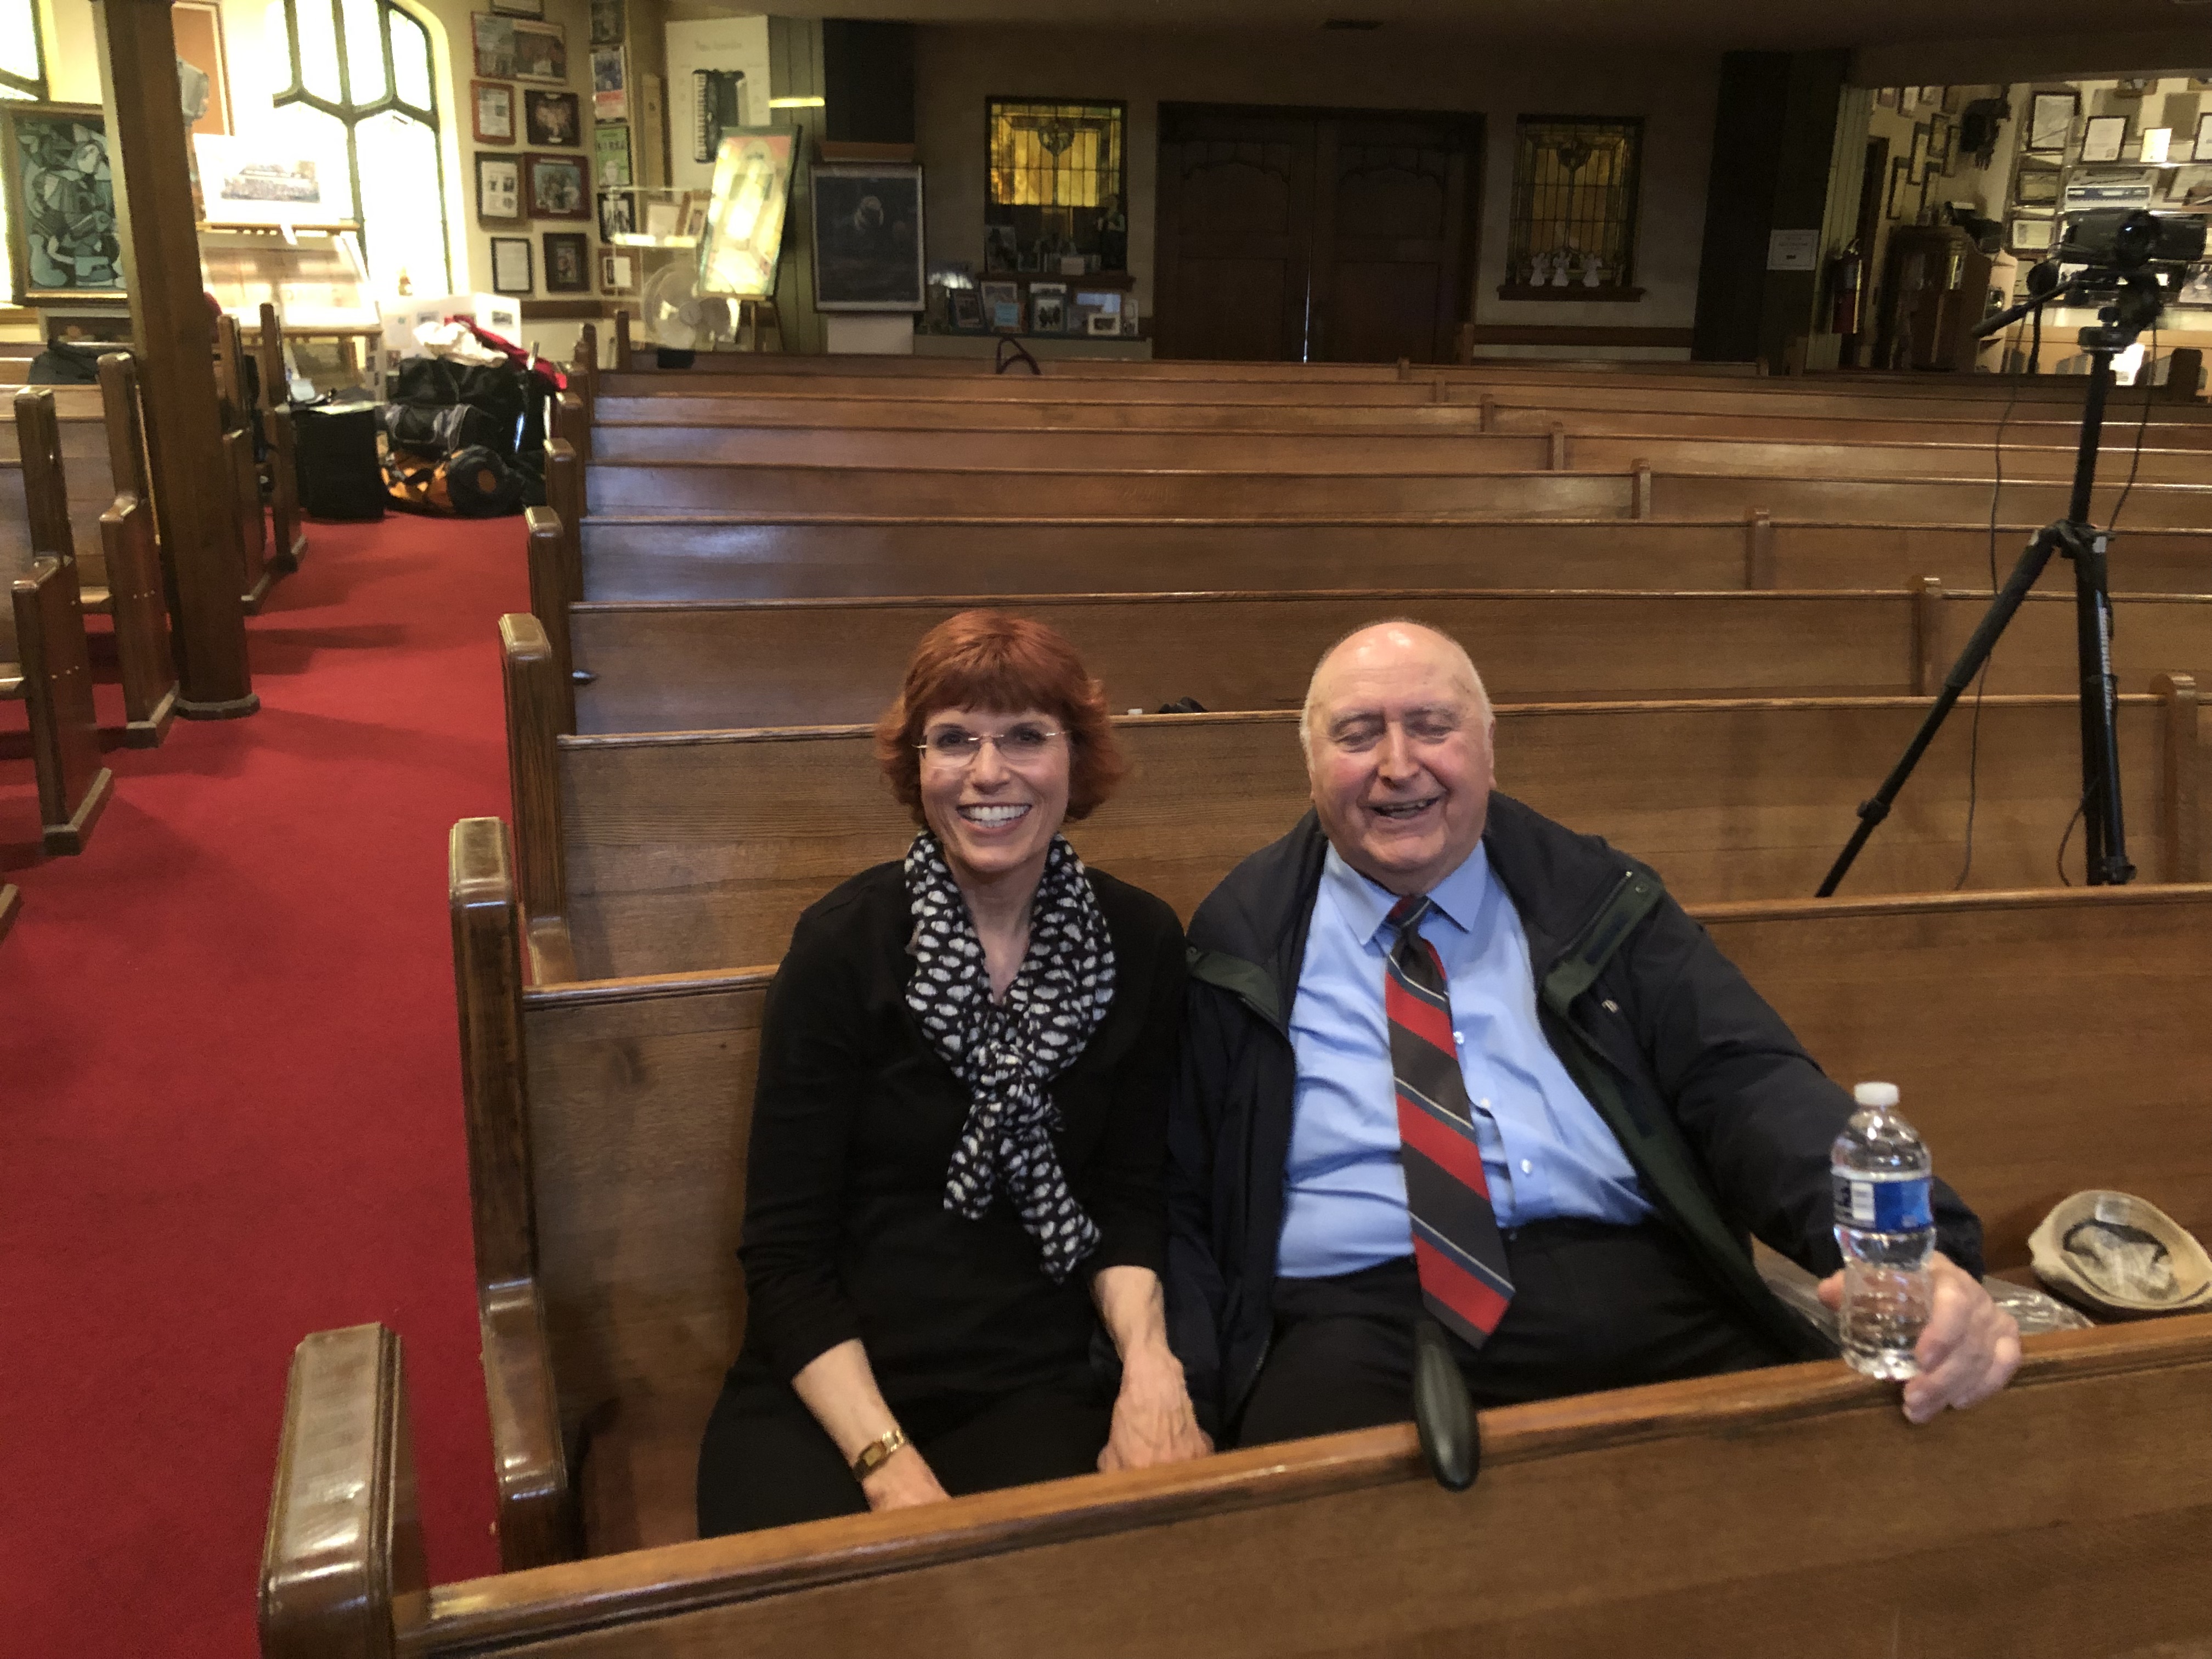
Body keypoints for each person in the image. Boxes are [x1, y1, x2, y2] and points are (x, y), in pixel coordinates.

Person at [1165, 620, 2022, 1449]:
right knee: (1300, 1519)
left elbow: (1748, 1084)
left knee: (1842, 1463)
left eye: (1432, 726)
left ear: (1489, 746)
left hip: (1632, 1278)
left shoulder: (1600, 900)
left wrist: (1907, 1256)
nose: (1398, 765)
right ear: (1310, 763)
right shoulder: (1241, 944)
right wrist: (1185, 1391)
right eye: (1358, 735)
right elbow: (1183, 1192)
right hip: (1360, 1313)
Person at [698, 611, 1211, 1536]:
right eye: (955, 740)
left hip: (1033, 1376)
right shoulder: (843, 948)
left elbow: (1129, 1198)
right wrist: (888, 1466)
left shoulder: (1138, 943)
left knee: (1083, 1579)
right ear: (918, 764)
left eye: (1026, 736)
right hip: (830, 1378)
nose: (988, 773)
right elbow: (784, 1258)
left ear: (1075, 757)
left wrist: (1150, 1370)